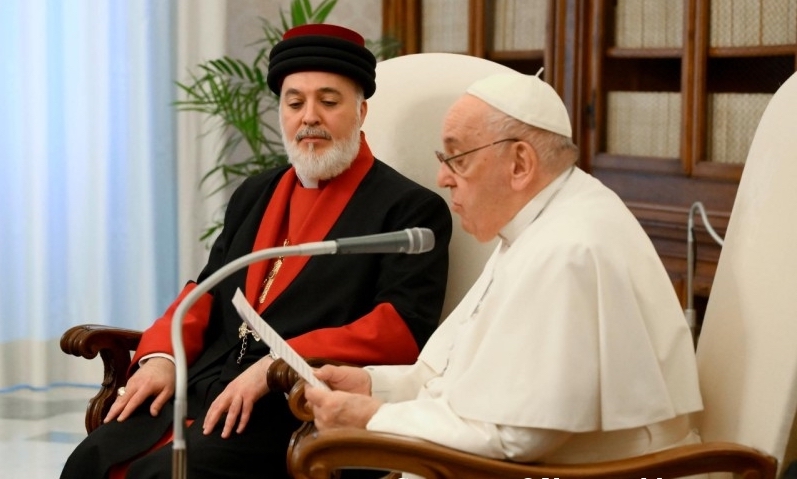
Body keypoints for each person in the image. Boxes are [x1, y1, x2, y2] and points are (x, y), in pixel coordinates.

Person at [61, 24, 452, 479]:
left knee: (167, 474)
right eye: (295, 103)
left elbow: (400, 329)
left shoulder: (409, 209)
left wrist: (278, 363)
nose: (310, 117)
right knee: (90, 459)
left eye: (329, 102)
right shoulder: (255, 193)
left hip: (292, 405)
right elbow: (206, 291)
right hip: (204, 385)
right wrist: (161, 358)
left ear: (361, 111)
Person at [305, 71, 704, 468]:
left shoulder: (568, 250)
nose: (443, 178)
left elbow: (515, 436)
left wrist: (373, 418)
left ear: (519, 163)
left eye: (457, 159)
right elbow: (455, 377)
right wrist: (374, 386)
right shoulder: (538, 224)